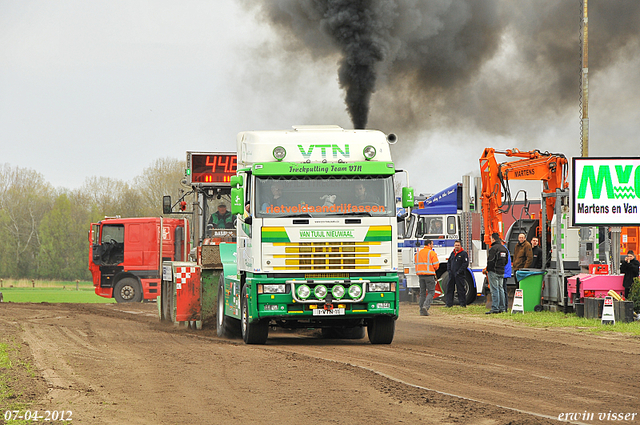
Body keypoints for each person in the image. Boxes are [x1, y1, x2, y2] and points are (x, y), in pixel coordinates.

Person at [484, 233, 508, 314]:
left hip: (493, 271)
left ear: (493, 239)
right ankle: (502, 308)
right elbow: (506, 261)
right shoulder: (504, 249)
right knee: (501, 289)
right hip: (501, 271)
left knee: (495, 290)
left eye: (491, 238)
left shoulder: (493, 248)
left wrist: (488, 269)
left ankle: (495, 308)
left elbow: (490, 261)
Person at [414, 239, 439, 316]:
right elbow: (436, 266)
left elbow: (415, 262)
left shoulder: (418, 253)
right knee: (431, 292)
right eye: (432, 244)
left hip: (420, 275)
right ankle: (425, 306)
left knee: (422, 293)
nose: (433, 245)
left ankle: (421, 311)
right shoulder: (431, 253)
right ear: (429, 244)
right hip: (429, 275)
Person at [445, 240, 469, 308]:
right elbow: (449, 262)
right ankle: (449, 304)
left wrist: (459, 272)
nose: (457, 246)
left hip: (460, 275)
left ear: (460, 246)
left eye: (458, 245)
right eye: (456, 245)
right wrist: (449, 270)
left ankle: (462, 304)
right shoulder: (452, 253)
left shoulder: (463, 254)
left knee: (461, 289)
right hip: (451, 275)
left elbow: (465, 264)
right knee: (450, 289)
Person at [502, 242, 512, 313]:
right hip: (505, 272)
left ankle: (504, 307)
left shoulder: (503, 250)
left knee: (502, 290)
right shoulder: (505, 249)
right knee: (503, 290)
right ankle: (504, 307)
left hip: (503, 273)